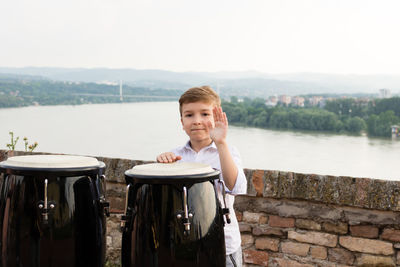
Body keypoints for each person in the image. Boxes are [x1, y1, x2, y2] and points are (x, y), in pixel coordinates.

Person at [156, 85, 247, 267]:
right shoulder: (175, 155)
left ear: (216, 118)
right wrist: (162, 166)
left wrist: (221, 143)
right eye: (189, 115)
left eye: (205, 114)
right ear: (182, 122)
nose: (197, 121)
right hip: (185, 245)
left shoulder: (227, 152)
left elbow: (235, 187)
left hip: (223, 244)